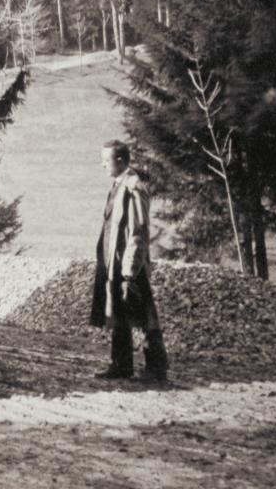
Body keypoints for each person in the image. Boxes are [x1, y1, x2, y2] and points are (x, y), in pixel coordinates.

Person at [90, 140, 169, 382]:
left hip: (130, 266)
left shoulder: (133, 186)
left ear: (121, 160)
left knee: (145, 314)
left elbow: (138, 231)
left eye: (107, 160)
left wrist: (129, 271)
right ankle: (121, 365)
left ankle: (156, 368)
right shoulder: (118, 185)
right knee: (119, 313)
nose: (103, 164)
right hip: (115, 263)